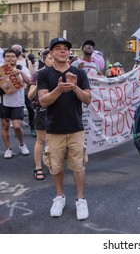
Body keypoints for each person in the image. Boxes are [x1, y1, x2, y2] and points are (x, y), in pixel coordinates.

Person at [37, 37, 91, 220]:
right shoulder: (44, 74)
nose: (62, 50)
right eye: (57, 48)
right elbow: (43, 101)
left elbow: (87, 99)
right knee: (56, 166)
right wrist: (59, 89)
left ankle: (80, 200)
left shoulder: (79, 73)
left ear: (69, 52)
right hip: (53, 129)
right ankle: (59, 197)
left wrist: (74, 87)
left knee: (78, 166)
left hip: (76, 128)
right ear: (51, 52)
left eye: (65, 48)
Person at [28, 50, 54, 180]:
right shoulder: (38, 74)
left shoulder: (62, 73)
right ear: (44, 60)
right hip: (43, 110)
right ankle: (38, 167)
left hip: (58, 111)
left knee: (53, 140)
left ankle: (50, 163)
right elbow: (30, 95)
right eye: (50, 58)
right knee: (41, 139)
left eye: (54, 58)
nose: (53, 60)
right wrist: (39, 85)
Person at [0, 49, 31, 159]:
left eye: (12, 56)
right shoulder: (1, 69)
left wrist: (20, 73)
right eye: (7, 56)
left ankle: (22, 144)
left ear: (16, 57)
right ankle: (8, 149)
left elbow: (29, 82)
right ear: (4, 58)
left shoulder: (22, 68)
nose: (10, 58)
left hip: (18, 103)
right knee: (5, 126)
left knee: (17, 127)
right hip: (3, 102)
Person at [12, 44, 36, 136]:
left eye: (19, 48)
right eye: (14, 48)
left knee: (30, 108)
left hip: (25, 89)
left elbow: (31, 74)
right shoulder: (10, 62)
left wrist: (27, 84)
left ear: (22, 50)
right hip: (15, 90)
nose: (17, 49)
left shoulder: (27, 61)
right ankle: (18, 129)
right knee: (17, 109)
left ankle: (32, 127)